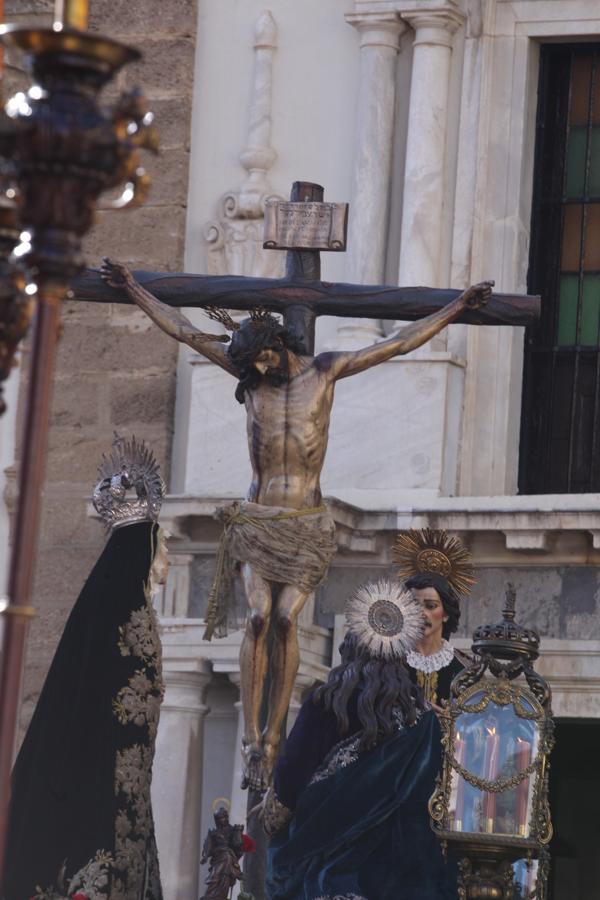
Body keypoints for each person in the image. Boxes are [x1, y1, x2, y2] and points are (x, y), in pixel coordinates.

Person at [100, 256, 493, 792]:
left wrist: (456, 307)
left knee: (286, 620)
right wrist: (133, 288)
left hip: (306, 522)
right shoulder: (250, 378)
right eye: (252, 368)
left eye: (263, 361)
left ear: (278, 344)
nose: (259, 373)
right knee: (258, 619)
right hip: (259, 518)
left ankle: (274, 735)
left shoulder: (324, 372)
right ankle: (251, 738)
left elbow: (398, 344)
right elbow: (185, 331)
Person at [4, 436, 167, 900]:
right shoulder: (109, 617)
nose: (167, 561)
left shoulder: (135, 615)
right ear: (142, 552)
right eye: (162, 548)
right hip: (96, 785)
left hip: (129, 792)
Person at [261, 579, 458, 900]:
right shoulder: (423, 719)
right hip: (399, 872)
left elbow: (290, 780)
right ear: (401, 655)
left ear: (350, 649)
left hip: (323, 865)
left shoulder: (325, 704)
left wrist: (274, 820)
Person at [394, 528, 475, 707]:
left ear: (445, 614)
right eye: (414, 605)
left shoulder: (466, 669)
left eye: (431, 606)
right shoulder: (391, 662)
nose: (421, 613)